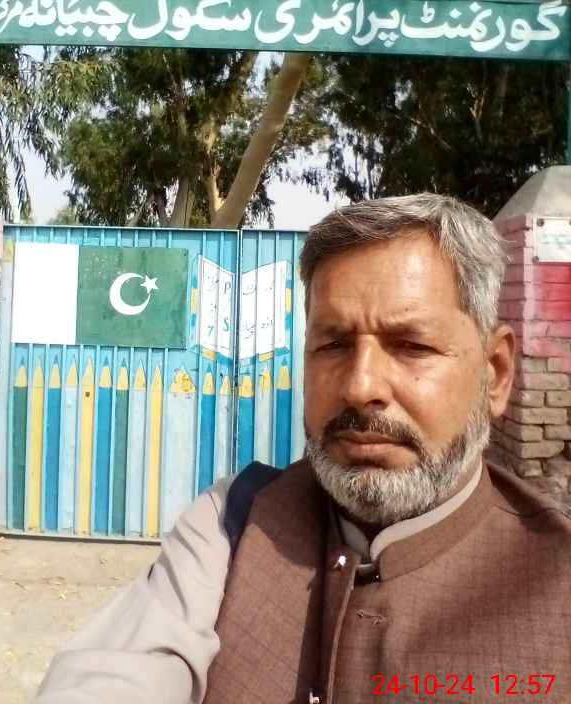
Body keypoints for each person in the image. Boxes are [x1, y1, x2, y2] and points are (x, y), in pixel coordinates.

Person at [36, 194, 571, 704]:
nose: (360, 386)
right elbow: (118, 673)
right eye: (333, 344)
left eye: (411, 346)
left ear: (496, 374)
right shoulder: (234, 523)